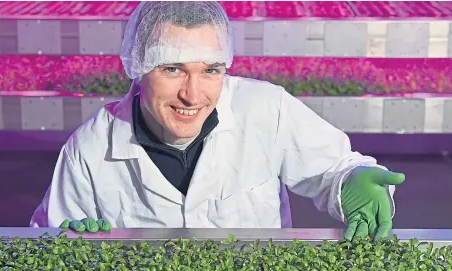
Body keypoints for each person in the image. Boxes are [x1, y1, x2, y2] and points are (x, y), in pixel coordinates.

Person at [30, 1, 405, 240]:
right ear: (139, 68)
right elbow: (47, 242)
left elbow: (334, 169)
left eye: (210, 70)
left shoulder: (264, 108)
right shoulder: (91, 148)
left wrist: (352, 180)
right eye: (173, 69)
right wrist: (64, 240)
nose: (193, 95)